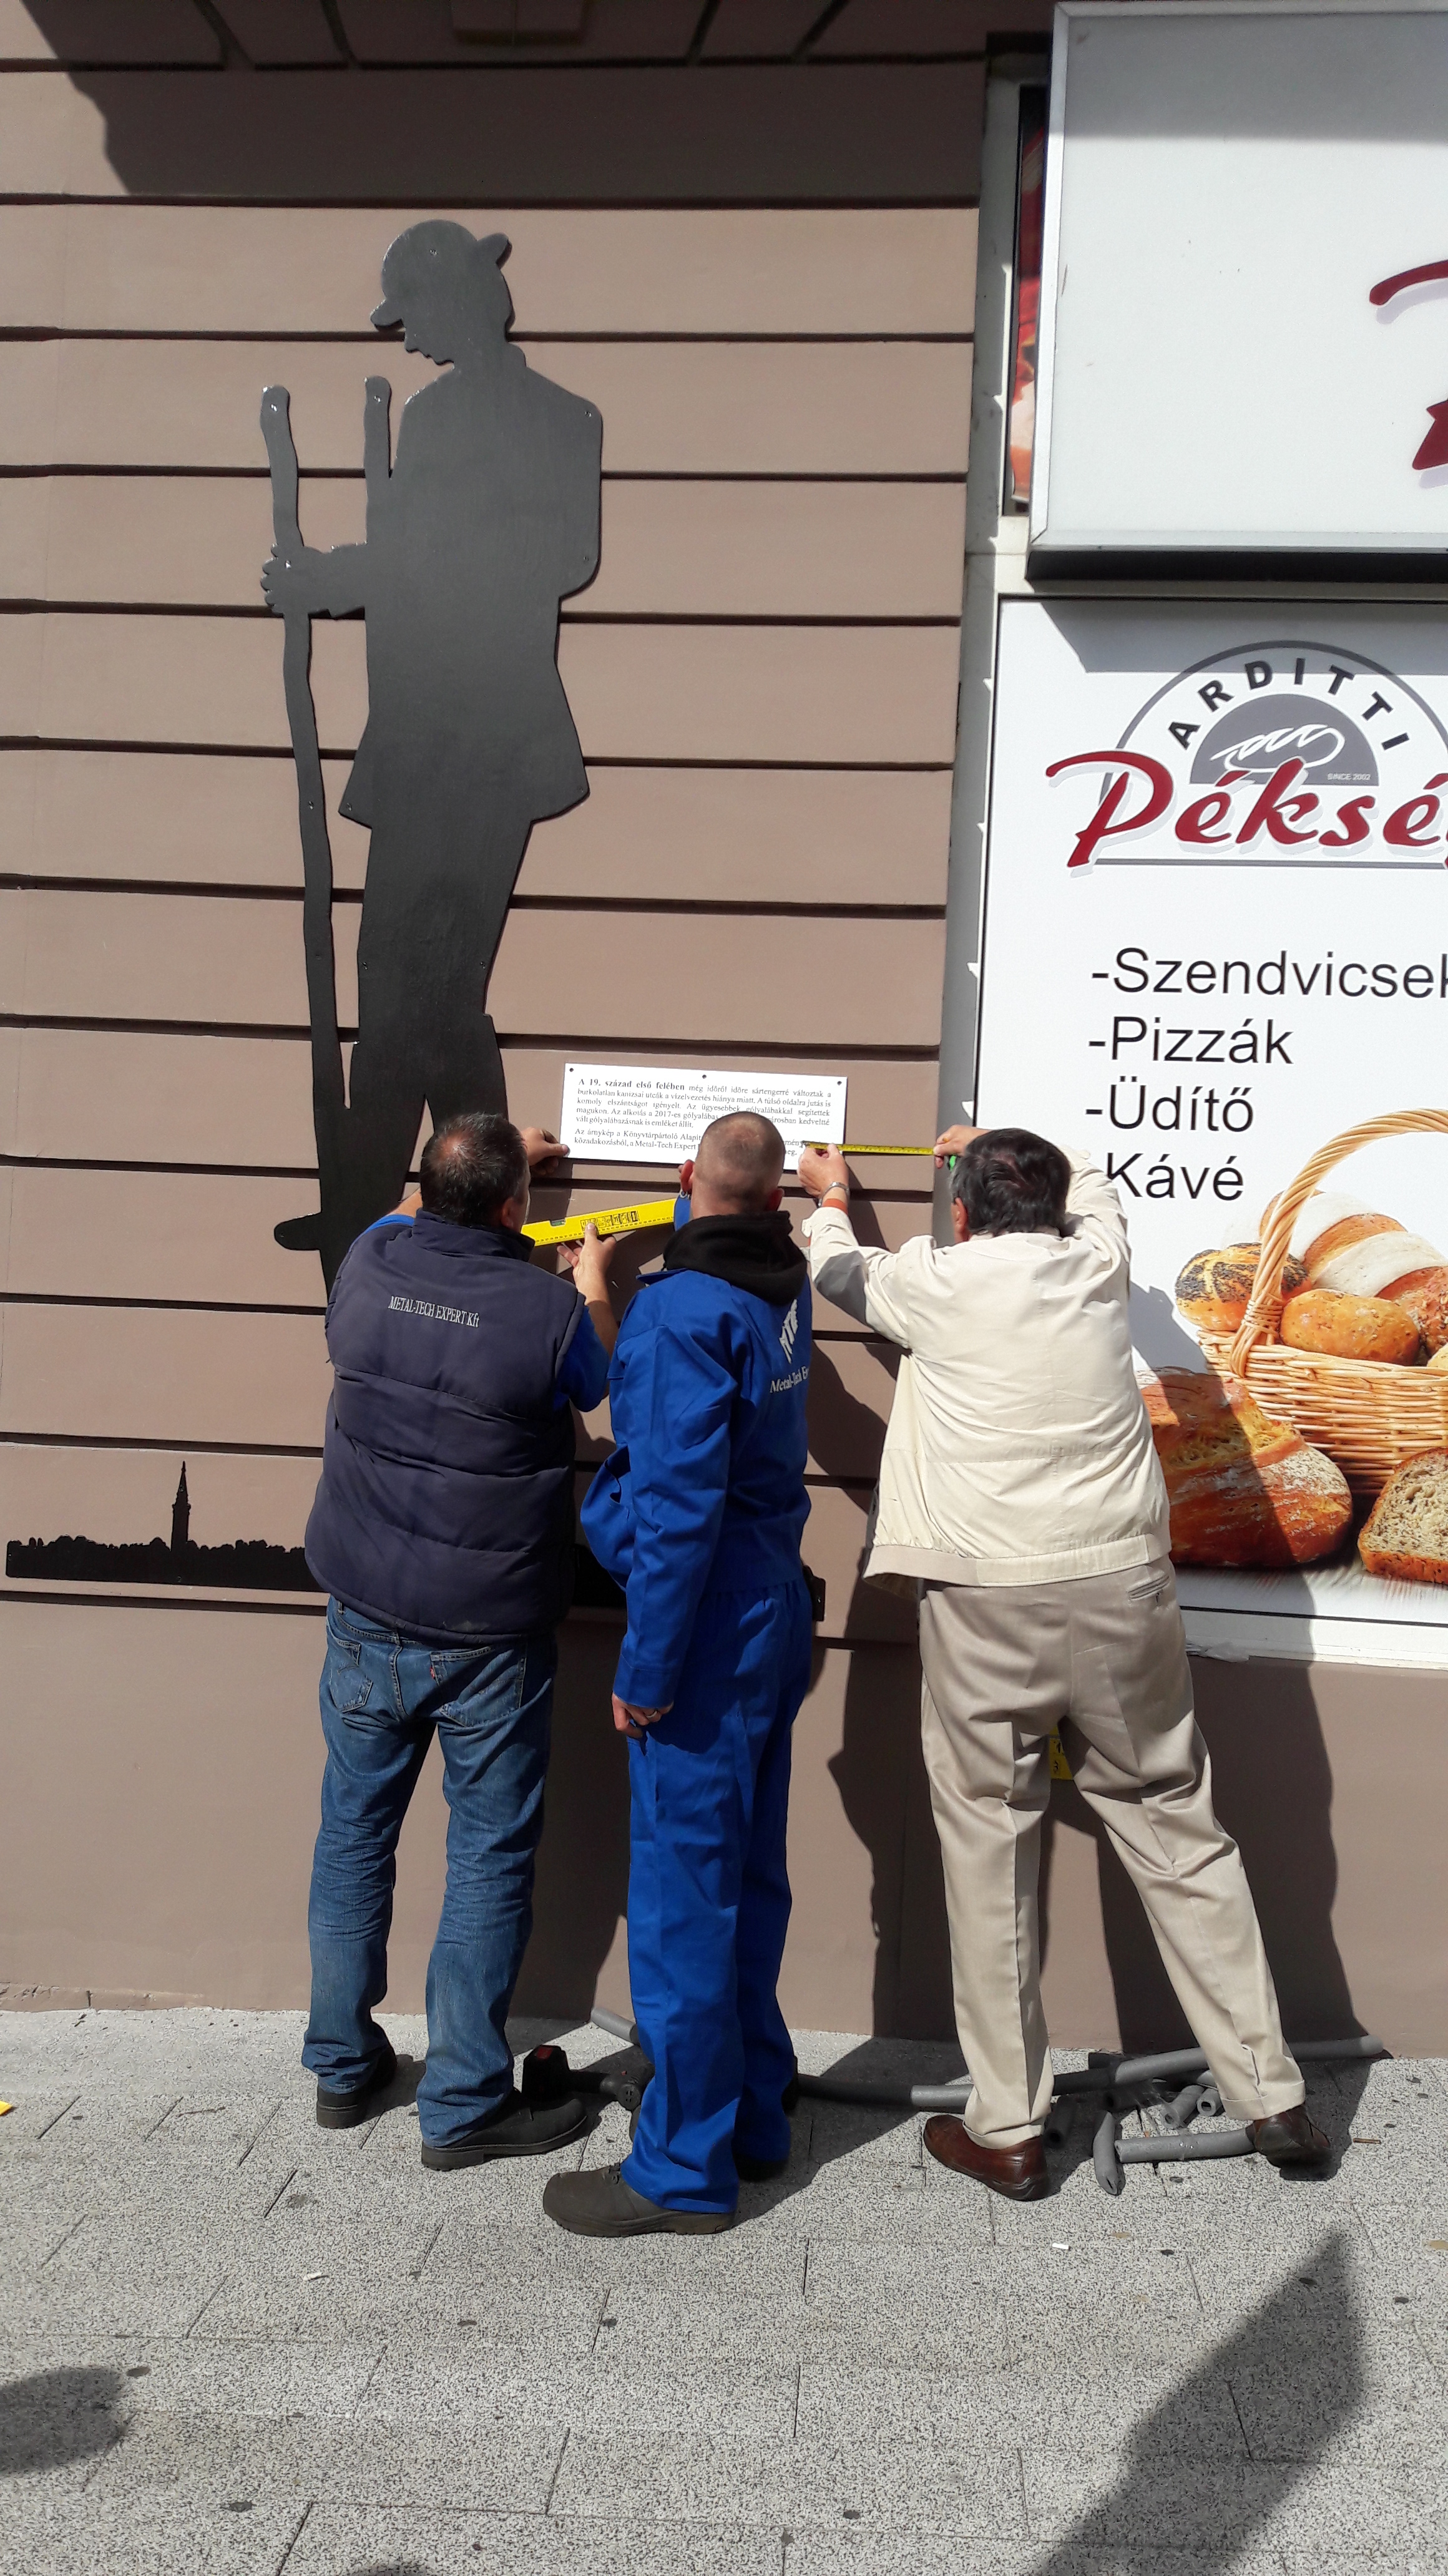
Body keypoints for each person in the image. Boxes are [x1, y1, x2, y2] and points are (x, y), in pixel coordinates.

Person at [795, 1123, 1330, 2200]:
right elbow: (1099, 1188)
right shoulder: (1097, 1266)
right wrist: (1009, 1148)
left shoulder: (930, 1280)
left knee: (989, 1848)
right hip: (1122, 1590)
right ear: (1056, 1210)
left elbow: (837, 1267)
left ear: (961, 1216)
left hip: (983, 1598)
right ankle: (1272, 2095)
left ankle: (1009, 2129)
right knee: (1177, 1825)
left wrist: (829, 1195)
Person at [262, 220, 602, 1267]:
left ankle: (435, 1210)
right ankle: (403, 1206)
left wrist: (334, 579)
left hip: (479, 740)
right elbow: (426, 554)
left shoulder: (525, 421)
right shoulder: (459, 414)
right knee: (409, 981)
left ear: (460, 303)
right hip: (437, 735)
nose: (408, 341)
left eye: (414, 317)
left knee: (428, 986)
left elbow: (510, 561)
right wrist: (348, 576)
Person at [301, 1111, 616, 2169]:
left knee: (353, 1836)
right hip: (490, 1636)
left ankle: (342, 2069)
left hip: (363, 1614)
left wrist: (478, 1162)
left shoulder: (368, 1264)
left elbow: (404, 1213)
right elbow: (598, 1384)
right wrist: (596, 1282)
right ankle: (464, 2103)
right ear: (516, 1209)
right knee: (485, 1858)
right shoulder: (547, 1311)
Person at [542, 1113, 814, 2238]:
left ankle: (682, 2171)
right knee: (746, 1876)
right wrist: (609, 1301)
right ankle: (753, 2111)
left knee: (682, 1903)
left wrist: (648, 1668)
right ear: (775, 1198)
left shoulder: (681, 1313)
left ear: (682, 1179)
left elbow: (675, 1510)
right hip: (772, 1607)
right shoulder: (781, 1288)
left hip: (701, 1629)